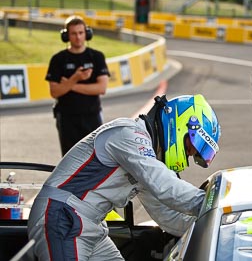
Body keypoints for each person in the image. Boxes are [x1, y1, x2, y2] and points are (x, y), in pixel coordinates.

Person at [27, 94, 221, 261]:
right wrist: (215, 203)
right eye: (189, 148)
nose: (187, 155)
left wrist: (214, 224)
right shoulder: (129, 134)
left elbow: (167, 216)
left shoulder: (146, 160)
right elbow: (164, 185)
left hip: (88, 224)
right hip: (62, 216)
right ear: (180, 124)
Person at [46, 15, 110, 156]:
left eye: (81, 33)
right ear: (66, 36)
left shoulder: (97, 57)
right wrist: (76, 78)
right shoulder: (58, 59)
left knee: (95, 158)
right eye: (73, 33)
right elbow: (55, 92)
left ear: (87, 34)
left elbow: (101, 88)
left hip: (92, 116)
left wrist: (70, 85)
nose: (78, 37)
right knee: (70, 159)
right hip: (67, 117)